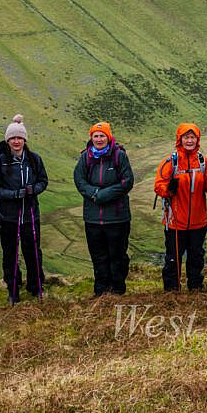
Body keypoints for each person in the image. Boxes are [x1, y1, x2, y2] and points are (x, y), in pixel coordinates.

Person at [153, 123, 207, 291]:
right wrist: (169, 190)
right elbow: (159, 186)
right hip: (175, 222)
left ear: (197, 140)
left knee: (196, 257)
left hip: (198, 221)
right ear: (179, 139)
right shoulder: (171, 162)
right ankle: (171, 290)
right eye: (186, 137)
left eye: (192, 137)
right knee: (173, 258)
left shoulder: (203, 161)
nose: (189, 141)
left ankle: (196, 288)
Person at [0, 114, 49, 304]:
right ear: (7, 141)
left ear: (24, 140)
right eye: (13, 138)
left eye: (20, 138)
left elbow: (43, 181)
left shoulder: (34, 159)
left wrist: (34, 190)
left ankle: (35, 286)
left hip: (31, 215)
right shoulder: (0, 161)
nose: (16, 141)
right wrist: (14, 194)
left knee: (33, 251)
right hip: (8, 217)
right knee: (10, 254)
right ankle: (13, 289)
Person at [74, 121, 134, 295]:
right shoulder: (85, 157)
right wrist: (94, 193)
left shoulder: (119, 156)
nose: (99, 139)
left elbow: (127, 181)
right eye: (96, 136)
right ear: (91, 138)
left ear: (109, 137)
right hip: (93, 218)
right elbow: (79, 180)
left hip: (117, 217)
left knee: (118, 255)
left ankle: (117, 290)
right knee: (98, 256)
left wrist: (103, 195)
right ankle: (100, 291)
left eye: (102, 136)